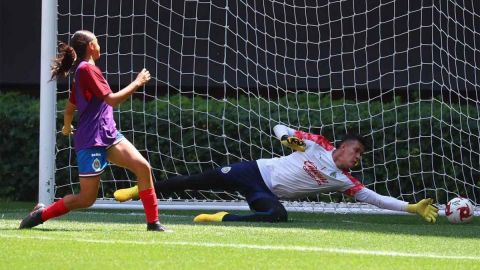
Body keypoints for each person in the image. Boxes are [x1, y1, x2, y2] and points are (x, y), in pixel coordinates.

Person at [114, 124, 439, 223]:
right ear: (342, 147)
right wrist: (288, 139)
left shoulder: (345, 181)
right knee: (194, 180)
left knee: (277, 215)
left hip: (264, 193)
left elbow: (376, 199)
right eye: (356, 152)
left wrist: (410, 207)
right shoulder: (316, 145)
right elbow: (279, 127)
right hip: (252, 171)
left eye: (360, 157)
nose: (357, 160)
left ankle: (221, 217)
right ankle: (136, 191)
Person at [19, 30, 167, 231]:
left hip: (108, 134)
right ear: (90, 46)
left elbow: (70, 107)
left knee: (143, 167)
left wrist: (66, 124)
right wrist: (137, 82)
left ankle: (153, 223)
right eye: (97, 42)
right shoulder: (86, 70)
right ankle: (41, 214)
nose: (99, 46)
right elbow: (112, 100)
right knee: (86, 199)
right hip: (91, 140)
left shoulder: (85, 71)